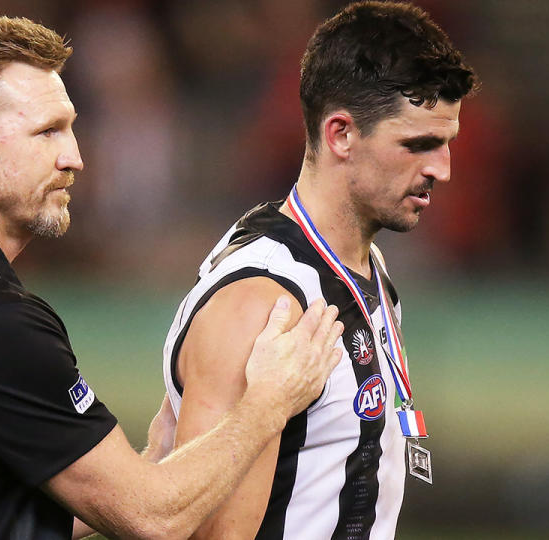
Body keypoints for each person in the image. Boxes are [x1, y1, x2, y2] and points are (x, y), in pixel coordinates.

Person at [0, 16, 345, 540]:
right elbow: (154, 520)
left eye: (71, 127)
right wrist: (268, 403)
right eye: (47, 131)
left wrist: (153, 460)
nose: (73, 157)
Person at [161, 2, 477, 538]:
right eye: (418, 145)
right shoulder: (261, 303)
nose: (441, 170)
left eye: (446, 144)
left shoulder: (364, 265)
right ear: (341, 135)